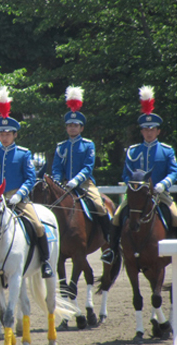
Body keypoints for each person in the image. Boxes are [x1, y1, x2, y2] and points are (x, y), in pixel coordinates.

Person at [101, 86, 177, 264]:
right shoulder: (132, 151)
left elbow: (174, 171)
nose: (149, 132)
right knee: (117, 217)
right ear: (141, 131)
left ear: (158, 131)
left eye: (152, 129)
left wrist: (163, 184)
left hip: (160, 194)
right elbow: (126, 174)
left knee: (176, 216)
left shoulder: (166, 151)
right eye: (145, 129)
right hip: (137, 196)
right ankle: (112, 251)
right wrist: (134, 188)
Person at [0, 87, 53, 278]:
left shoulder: (23, 153)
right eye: (1, 134)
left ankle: (45, 261)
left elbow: (31, 178)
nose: (4, 137)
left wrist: (19, 195)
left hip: (18, 199)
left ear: (14, 135)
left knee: (37, 225)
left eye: (8, 134)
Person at [51, 86, 110, 238]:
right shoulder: (61, 146)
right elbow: (56, 168)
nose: (72, 128)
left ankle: (109, 241)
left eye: (75, 125)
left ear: (81, 127)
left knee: (100, 206)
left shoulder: (88, 144)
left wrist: (76, 181)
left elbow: (88, 167)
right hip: (64, 185)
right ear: (66, 127)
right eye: (69, 125)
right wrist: (57, 183)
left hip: (84, 184)